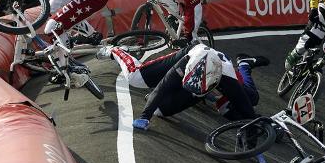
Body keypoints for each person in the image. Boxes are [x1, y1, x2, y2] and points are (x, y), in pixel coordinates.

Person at [96, 43, 269, 130]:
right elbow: (164, 86)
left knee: (249, 101)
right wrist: (145, 116)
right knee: (136, 78)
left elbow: (248, 114)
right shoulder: (185, 63)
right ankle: (115, 50)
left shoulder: (228, 80)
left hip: (218, 74)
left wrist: (251, 139)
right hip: (191, 56)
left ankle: (244, 65)